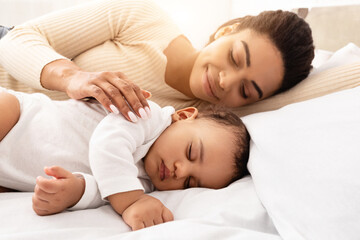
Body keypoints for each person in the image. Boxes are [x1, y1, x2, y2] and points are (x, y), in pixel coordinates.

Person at [0, 0, 314, 122]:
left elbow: (338, 82)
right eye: (234, 57)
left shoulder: (196, 118)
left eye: (246, 91)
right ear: (226, 31)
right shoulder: (143, 17)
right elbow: (16, 40)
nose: (225, 82)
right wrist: (72, 77)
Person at [0, 87, 250, 231]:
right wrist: (132, 202)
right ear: (183, 116)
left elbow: (105, 189)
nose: (180, 171)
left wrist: (77, 190)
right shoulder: (146, 115)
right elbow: (108, 144)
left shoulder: (145, 185)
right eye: (191, 152)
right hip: (16, 118)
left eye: (190, 183)